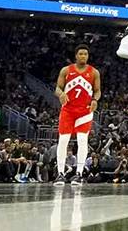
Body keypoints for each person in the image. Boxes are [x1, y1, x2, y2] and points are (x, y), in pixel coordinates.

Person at [53, 45, 101, 186]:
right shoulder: (66, 70)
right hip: (68, 110)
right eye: (80, 54)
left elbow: (97, 91)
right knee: (63, 140)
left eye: (85, 54)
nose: (83, 56)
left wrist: (95, 100)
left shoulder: (94, 72)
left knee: (82, 140)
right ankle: (60, 173)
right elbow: (57, 88)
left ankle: (79, 173)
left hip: (84, 111)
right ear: (76, 55)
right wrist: (61, 94)